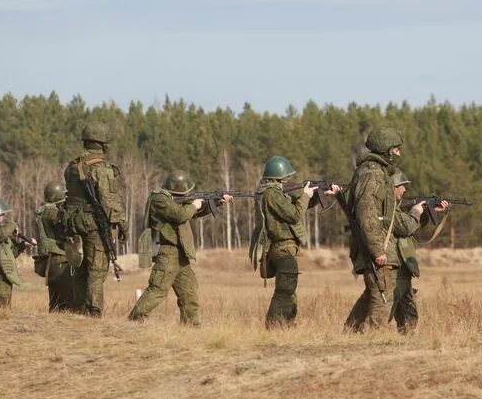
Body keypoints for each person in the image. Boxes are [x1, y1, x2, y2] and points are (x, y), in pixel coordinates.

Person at [129, 170, 230, 325]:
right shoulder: (160, 200)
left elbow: (191, 213)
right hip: (167, 252)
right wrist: (195, 205)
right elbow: (180, 214)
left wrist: (214, 203)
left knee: (189, 292)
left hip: (180, 254)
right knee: (158, 290)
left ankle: (191, 326)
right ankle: (135, 320)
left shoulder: (174, 200)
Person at [250, 156, 336, 328]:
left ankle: (286, 323)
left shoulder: (273, 193)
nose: (288, 181)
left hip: (284, 248)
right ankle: (274, 324)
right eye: (285, 178)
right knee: (285, 290)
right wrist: (305, 195)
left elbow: (294, 206)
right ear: (279, 177)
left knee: (289, 290)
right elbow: (294, 214)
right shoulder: (271, 194)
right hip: (282, 248)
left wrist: (318, 196)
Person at [62, 121, 127, 317]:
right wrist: (121, 223)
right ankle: (93, 311)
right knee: (97, 268)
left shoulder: (72, 166)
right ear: (103, 144)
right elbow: (109, 200)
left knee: (80, 267)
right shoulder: (102, 168)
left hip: (73, 220)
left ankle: (79, 308)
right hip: (93, 222)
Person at [343, 127, 405, 332]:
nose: (399, 154)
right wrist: (378, 250)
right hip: (376, 244)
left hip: (376, 242)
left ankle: (349, 334)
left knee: (374, 292)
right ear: (386, 150)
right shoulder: (372, 174)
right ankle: (375, 338)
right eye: (396, 149)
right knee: (383, 292)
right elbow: (367, 214)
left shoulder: (377, 172)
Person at [389, 170, 449, 333]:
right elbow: (406, 226)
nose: (404, 190)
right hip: (394, 260)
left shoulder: (396, 208)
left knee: (405, 302)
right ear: (392, 187)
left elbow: (409, 226)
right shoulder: (388, 209)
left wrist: (428, 213)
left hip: (402, 262)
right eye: (401, 186)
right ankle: (365, 330)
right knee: (390, 301)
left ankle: (407, 334)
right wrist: (416, 210)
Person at [33, 181, 75, 312]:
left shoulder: (41, 212)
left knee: (55, 302)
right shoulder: (53, 214)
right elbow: (67, 229)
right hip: (60, 261)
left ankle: (53, 327)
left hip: (50, 262)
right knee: (67, 302)